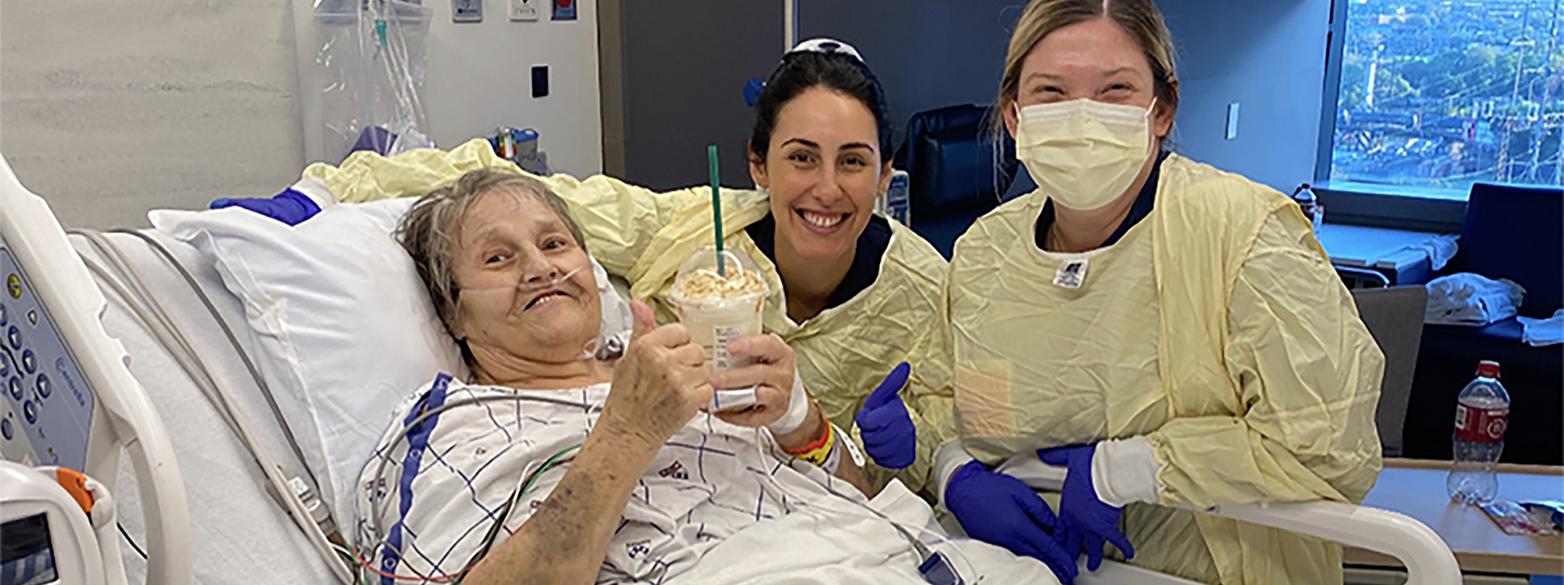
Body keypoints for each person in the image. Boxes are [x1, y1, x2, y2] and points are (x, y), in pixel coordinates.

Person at [304, 39, 954, 498]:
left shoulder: (926, 291)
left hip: (806, 505)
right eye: (802, 157)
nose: (827, 189)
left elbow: (927, 464)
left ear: (885, 175)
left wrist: (902, 451)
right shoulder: (684, 230)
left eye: (853, 162)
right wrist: (324, 190)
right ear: (759, 165)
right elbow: (501, 181)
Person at [352, 169, 1056, 584]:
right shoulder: (450, 428)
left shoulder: (681, 366)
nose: (540, 266)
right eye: (497, 259)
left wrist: (803, 424)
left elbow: (859, 498)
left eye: (554, 243)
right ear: (452, 313)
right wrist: (627, 430)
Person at [932, 1, 1386, 584]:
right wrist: (954, 469)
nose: (1081, 118)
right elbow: (954, 404)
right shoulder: (985, 255)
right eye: (1051, 92)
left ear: (1161, 109)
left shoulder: (1242, 235)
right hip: (1023, 568)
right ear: (1014, 114)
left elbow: (1330, 444)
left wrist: (1125, 471)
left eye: (1114, 89)